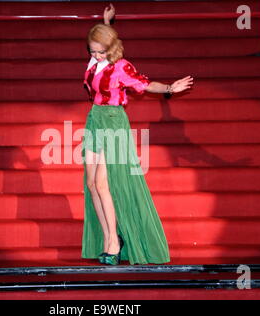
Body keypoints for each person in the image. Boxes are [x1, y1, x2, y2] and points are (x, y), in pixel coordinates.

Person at [81, 5, 194, 265]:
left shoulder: (120, 67)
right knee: (91, 185)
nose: (96, 56)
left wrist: (169, 88)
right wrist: (106, 21)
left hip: (113, 121)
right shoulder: (96, 58)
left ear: (109, 50)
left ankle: (113, 243)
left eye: (100, 52)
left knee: (102, 184)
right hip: (94, 118)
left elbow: (144, 83)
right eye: (92, 51)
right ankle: (111, 236)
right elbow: (104, 39)